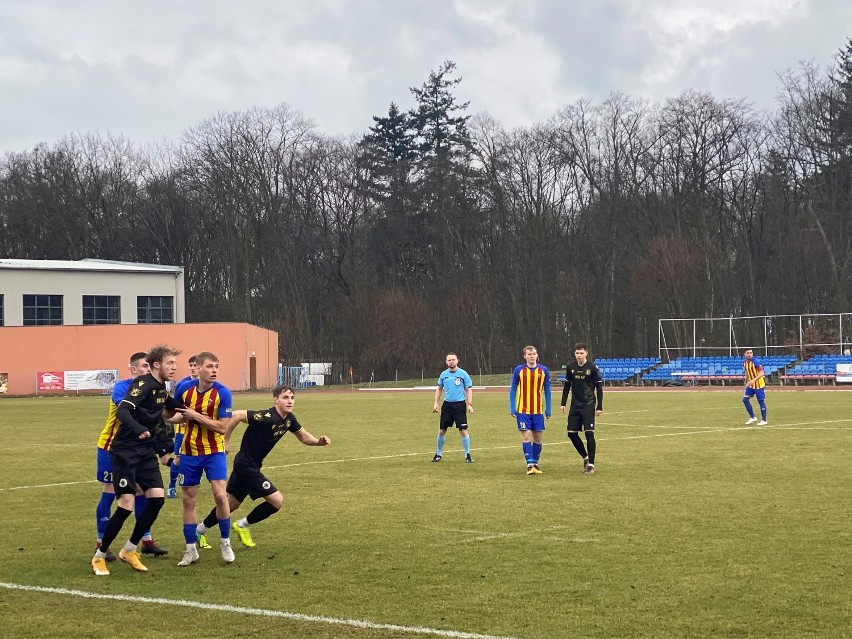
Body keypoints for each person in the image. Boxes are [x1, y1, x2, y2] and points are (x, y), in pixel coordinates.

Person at [195, 384, 330, 549]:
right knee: (277, 501)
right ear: (276, 400)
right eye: (285, 397)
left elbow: (302, 436)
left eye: (292, 398)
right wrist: (226, 440)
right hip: (246, 467)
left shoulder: (289, 419)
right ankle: (242, 525)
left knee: (231, 504)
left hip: (248, 465)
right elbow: (236, 415)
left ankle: (200, 530)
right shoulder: (267, 416)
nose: (290, 401)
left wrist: (318, 442)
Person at [91, 345, 183, 576]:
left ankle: (130, 549)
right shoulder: (141, 384)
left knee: (157, 498)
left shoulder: (161, 388)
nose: (174, 367)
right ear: (155, 365)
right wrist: (139, 428)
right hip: (124, 451)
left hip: (145, 452)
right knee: (126, 505)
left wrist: (197, 414)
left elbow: (173, 406)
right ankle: (100, 555)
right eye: (170, 363)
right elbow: (123, 411)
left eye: (174, 363)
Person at [173, 351, 235, 566]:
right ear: (198, 368)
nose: (214, 370)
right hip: (189, 452)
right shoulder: (183, 389)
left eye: (216, 366)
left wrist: (195, 416)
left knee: (220, 496)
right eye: (209, 366)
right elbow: (175, 414)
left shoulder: (223, 393)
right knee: (188, 500)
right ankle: (191, 549)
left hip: (214, 452)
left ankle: (225, 542)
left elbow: (222, 427)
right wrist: (159, 415)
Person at [560, 343, 604, 475]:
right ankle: (585, 457)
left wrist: (599, 406)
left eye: (581, 353)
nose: (579, 355)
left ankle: (591, 464)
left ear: (586, 354)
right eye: (577, 353)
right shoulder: (571, 367)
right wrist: (563, 403)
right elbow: (567, 386)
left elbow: (599, 388)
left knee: (589, 433)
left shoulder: (592, 368)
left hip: (588, 405)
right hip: (575, 405)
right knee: (571, 433)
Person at [510, 345, 551, 475]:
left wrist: (548, 408)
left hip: (538, 411)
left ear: (537, 355)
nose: (532, 356)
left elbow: (548, 391)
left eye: (534, 354)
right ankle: (529, 464)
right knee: (527, 435)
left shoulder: (543, 370)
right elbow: (513, 388)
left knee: (538, 438)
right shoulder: (519, 370)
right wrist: (513, 406)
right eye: (529, 354)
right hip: (523, 409)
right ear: (525, 356)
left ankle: (535, 464)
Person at [431, 352, 474, 463]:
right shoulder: (443, 374)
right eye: (449, 360)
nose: (451, 361)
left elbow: (468, 389)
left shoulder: (463, 374)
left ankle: (467, 455)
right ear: (446, 362)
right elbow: (439, 388)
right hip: (447, 405)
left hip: (459, 405)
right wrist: (436, 403)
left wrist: (469, 404)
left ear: (457, 360)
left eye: (453, 359)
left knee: (463, 430)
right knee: (442, 430)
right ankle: (438, 454)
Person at [167, 354, 198, 498]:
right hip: (183, 429)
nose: (192, 368)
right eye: (190, 365)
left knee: (201, 456)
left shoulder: (211, 385)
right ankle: (171, 486)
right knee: (179, 458)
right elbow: (174, 407)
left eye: (195, 365)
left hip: (201, 429)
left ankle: (195, 478)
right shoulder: (182, 385)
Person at [743, 348, 768, 426]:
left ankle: (764, 420)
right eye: (748, 353)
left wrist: (753, 380)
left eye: (751, 352)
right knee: (745, 400)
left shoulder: (756, 362)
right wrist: (747, 381)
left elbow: (761, 373)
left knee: (760, 401)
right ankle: (752, 417)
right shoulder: (744, 363)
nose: (750, 354)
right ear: (745, 354)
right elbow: (747, 373)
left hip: (759, 385)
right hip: (751, 385)